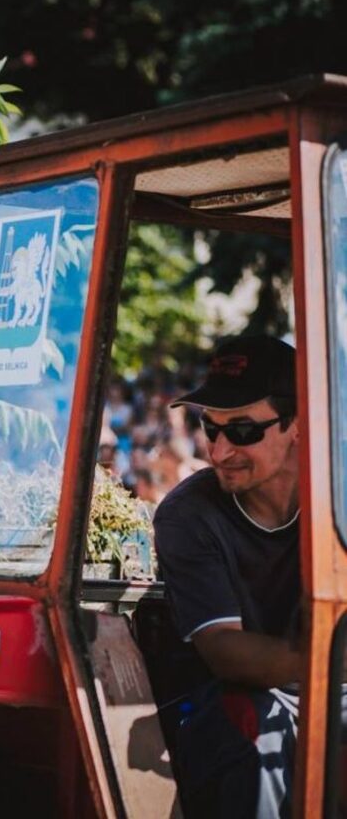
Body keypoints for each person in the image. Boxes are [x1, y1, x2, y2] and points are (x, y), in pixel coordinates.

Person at [153, 335, 345, 817]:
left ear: (298, 424)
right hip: (228, 702)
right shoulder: (188, 515)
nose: (219, 452)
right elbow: (226, 653)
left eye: (242, 431)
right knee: (254, 731)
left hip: (333, 686)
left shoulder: (339, 495)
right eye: (209, 428)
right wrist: (326, 652)